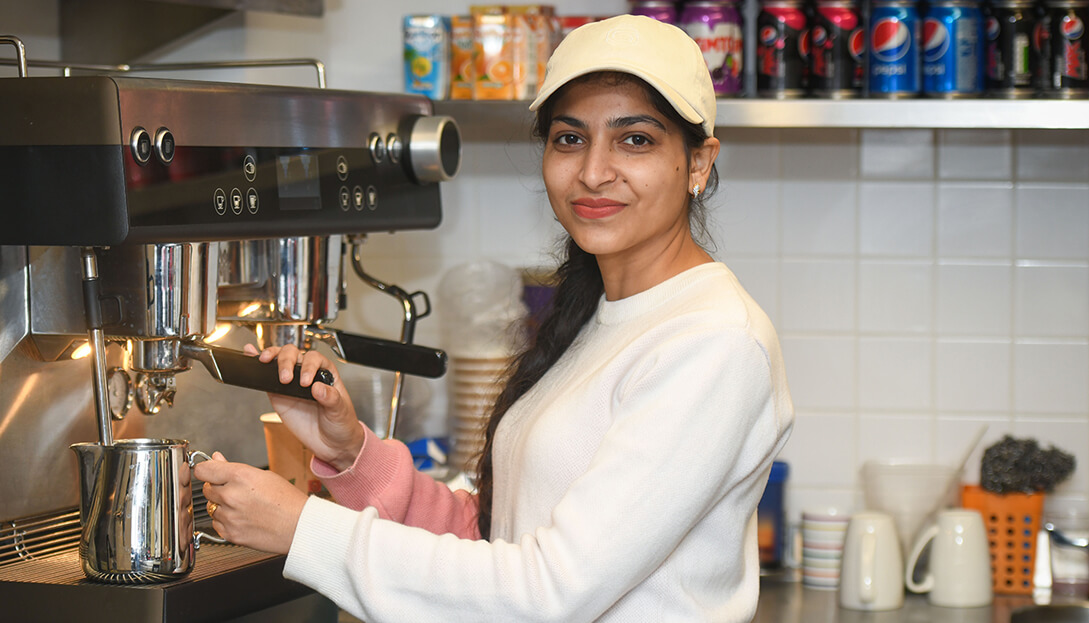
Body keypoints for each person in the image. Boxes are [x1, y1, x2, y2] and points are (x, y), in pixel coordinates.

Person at [194, 14, 794, 622]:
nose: (593, 171)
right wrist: (354, 455)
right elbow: (491, 544)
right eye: (570, 138)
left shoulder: (713, 343)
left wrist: (304, 530)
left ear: (697, 163)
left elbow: (546, 595)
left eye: (635, 139)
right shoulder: (596, 319)